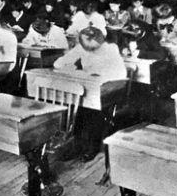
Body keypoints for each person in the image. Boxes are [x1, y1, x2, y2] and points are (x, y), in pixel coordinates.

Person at [53, 27, 126, 161]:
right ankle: (77, 146)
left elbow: (121, 73)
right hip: (86, 88)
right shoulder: (81, 47)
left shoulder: (111, 49)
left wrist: (101, 74)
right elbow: (58, 63)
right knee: (76, 114)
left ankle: (92, 148)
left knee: (93, 115)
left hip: (106, 90)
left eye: (93, 48)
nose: (90, 51)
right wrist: (70, 67)